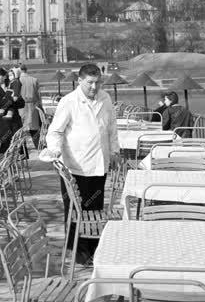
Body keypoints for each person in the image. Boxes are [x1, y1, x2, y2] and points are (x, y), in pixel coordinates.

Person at [47, 63, 119, 265]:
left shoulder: (105, 98)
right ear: (79, 81)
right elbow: (55, 131)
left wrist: (115, 151)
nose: (94, 87)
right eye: (90, 83)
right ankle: (78, 251)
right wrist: (54, 149)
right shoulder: (69, 101)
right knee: (76, 209)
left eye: (97, 82)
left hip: (99, 163)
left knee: (95, 207)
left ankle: (95, 247)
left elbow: (112, 127)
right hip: (75, 165)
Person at [0, 68, 25, 154]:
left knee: (16, 145)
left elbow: (22, 103)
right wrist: (12, 100)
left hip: (14, 120)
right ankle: (4, 164)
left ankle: (13, 162)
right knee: (4, 147)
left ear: (5, 77)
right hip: (1, 122)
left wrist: (11, 101)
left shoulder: (12, 86)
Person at [16, 63, 43, 149]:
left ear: (19, 70)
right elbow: (39, 95)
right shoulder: (34, 80)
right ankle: (38, 146)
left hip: (21, 107)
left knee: (20, 129)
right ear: (26, 70)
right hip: (32, 106)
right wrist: (41, 107)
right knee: (34, 128)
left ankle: (21, 149)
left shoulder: (16, 81)